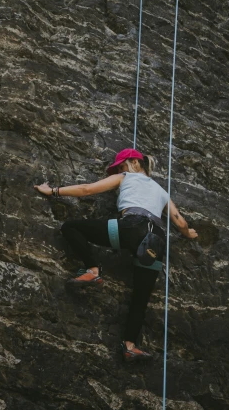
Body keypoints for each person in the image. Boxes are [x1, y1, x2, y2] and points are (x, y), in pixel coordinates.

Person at [34, 148, 198, 362]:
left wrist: (53, 191)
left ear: (134, 163)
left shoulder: (124, 176)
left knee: (70, 227)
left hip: (131, 227)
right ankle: (130, 346)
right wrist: (189, 233)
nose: (118, 170)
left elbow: (86, 189)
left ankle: (93, 270)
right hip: (155, 240)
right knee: (140, 298)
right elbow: (180, 221)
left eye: (120, 165)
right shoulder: (161, 191)